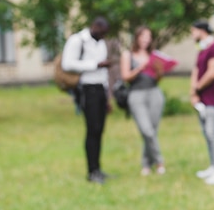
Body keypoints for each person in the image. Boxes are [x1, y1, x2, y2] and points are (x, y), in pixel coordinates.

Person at [61, 16, 112, 184]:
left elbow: (104, 72)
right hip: (86, 89)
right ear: (94, 27)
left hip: (100, 89)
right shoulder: (77, 41)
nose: (103, 36)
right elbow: (67, 64)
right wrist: (94, 65)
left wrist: (107, 96)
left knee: (99, 130)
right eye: (101, 33)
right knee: (92, 129)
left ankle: (98, 168)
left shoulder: (101, 43)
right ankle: (91, 171)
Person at [119, 26, 166, 176]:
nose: (146, 39)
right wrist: (140, 67)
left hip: (154, 93)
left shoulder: (153, 55)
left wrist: (159, 71)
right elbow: (125, 77)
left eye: (149, 36)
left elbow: (158, 79)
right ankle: (159, 161)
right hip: (136, 95)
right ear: (137, 37)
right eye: (143, 36)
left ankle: (146, 164)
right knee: (146, 131)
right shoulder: (128, 55)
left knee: (152, 130)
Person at [189, 20, 214, 185]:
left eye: (193, 31)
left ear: (201, 30)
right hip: (202, 98)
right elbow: (196, 70)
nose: (192, 35)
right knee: (207, 133)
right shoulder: (202, 49)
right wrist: (193, 92)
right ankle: (213, 166)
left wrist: (197, 88)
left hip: (212, 98)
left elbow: (212, 73)